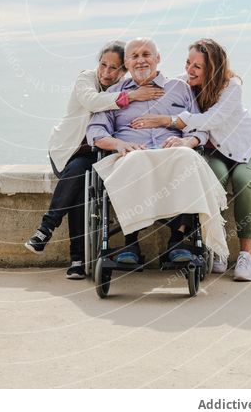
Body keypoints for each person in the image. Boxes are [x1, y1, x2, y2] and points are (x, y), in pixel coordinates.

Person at [24, 41, 163, 279]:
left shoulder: (122, 86)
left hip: (95, 150)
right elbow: (92, 101)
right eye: (103, 65)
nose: (106, 73)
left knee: (81, 183)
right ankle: (67, 249)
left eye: (114, 68)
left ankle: (53, 237)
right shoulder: (86, 78)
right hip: (69, 148)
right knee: (79, 178)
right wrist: (130, 96)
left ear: (124, 70)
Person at [130, 38, 251, 281]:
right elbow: (158, 86)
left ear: (212, 69)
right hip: (215, 151)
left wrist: (166, 121)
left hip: (245, 147)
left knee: (243, 181)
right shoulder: (185, 83)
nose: (190, 71)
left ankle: (246, 256)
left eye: (197, 67)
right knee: (214, 178)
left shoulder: (231, 87)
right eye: (188, 63)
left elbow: (209, 120)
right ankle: (218, 245)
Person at [86, 37, 209, 265]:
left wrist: (188, 142)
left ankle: (177, 240)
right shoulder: (115, 93)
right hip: (131, 154)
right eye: (134, 56)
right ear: (127, 63)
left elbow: (200, 128)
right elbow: (95, 131)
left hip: (171, 153)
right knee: (134, 160)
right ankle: (130, 242)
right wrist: (118, 144)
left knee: (187, 158)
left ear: (157, 59)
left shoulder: (180, 89)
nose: (141, 61)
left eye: (146, 55)